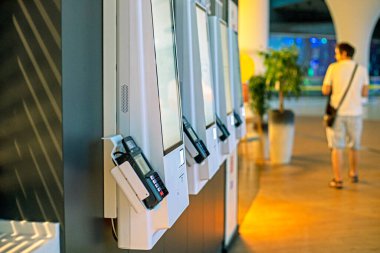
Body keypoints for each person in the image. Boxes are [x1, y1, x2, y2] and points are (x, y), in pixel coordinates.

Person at [322, 42, 369, 189]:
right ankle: (353, 173)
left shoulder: (333, 68)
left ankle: (338, 179)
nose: (335, 56)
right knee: (354, 146)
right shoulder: (361, 69)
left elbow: (325, 90)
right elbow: (365, 93)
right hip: (356, 113)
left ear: (343, 53)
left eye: (336, 53)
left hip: (338, 114)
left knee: (337, 147)